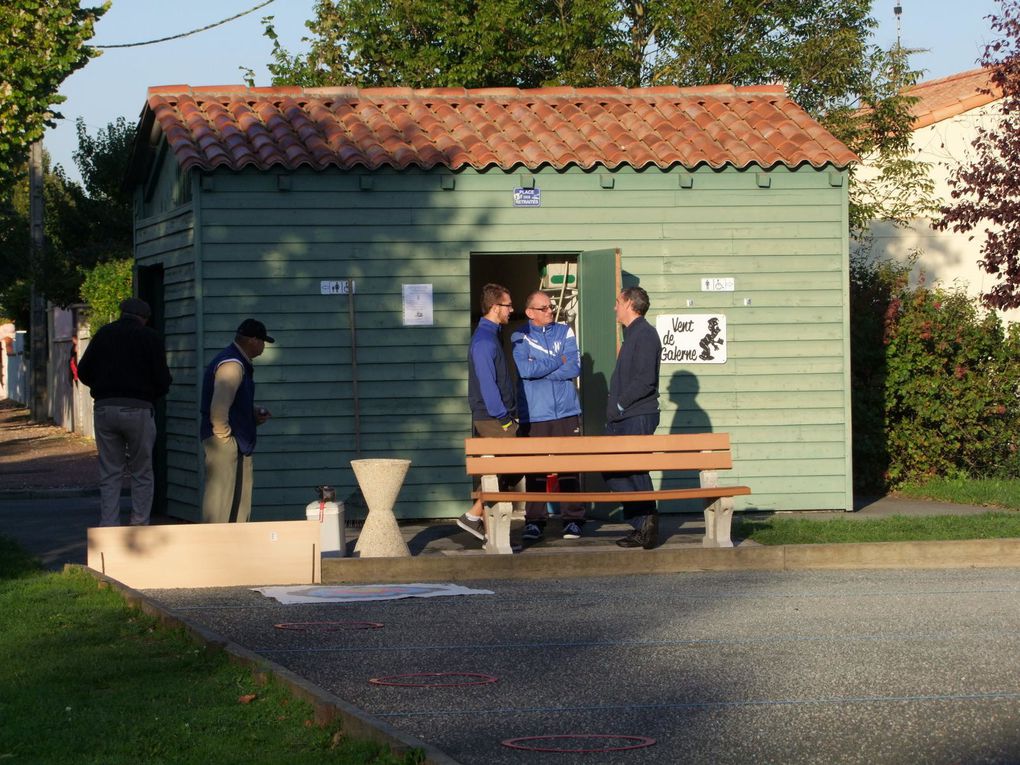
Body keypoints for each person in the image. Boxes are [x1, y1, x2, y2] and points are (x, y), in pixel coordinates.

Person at [76, 297, 172, 527]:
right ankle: (139, 524)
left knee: (110, 470)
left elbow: (84, 371)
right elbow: (162, 379)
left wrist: (103, 389)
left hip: (105, 407)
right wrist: (150, 394)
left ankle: (108, 524)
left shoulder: (103, 334)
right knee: (142, 471)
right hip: (139, 408)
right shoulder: (151, 338)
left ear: (122, 313)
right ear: (145, 318)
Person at [512, 289, 586, 540]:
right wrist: (557, 361)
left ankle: (573, 519)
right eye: (543, 308)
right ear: (530, 312)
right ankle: (534, 520)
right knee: (536, 470)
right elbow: (525, 369)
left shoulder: (565, 331)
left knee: (569, 467)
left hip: (566, 411)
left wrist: (542, 368)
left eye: (551, 306)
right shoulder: (519, 335)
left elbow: (574, 367)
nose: (550, 311)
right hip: (535, 413)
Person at [458, 283, 518, 542]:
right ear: (495, 308)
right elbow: (487, 384)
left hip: (495, 417)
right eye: (508, 305)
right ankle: (474, 517)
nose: (511, 310)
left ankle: (479, 522)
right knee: (508, 468)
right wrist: (505, 420)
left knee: (501, 472)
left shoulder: (491, 335)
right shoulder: (484, 341)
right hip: (493, 418)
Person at [199, 318, 274, 523]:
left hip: (237, 440)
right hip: (225, 441)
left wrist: (252, 412)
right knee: (221, 503)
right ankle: (216, 546)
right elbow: (219, 407)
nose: (263, 346)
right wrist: (224, 438)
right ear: (252, 340)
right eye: (262, 341)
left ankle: (235, 543)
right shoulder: (232, 365)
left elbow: (231, 402)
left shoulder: (235, 361)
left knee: (238, 502)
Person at [604, 286, 662, 549]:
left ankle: (646, 522)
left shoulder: (645, 335)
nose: (615, 307)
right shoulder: (633, 335)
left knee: (635, 469)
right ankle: (643, 523)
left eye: (617, 301)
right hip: (624, 417)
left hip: (637, 415)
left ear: (628, 303)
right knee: (613, 470)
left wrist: (619, 403)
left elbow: (645, 381)